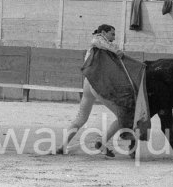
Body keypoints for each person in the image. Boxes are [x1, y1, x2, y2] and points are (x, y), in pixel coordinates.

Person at [55, 24, 133, 157]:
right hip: (98, 84)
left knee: (81, 117)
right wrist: (116, 50)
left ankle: (62, 146)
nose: (114, 38)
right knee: (122, 116)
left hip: (88, 83)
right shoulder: (98, 40)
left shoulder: (103, 44)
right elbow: (98, 41)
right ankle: (101, 142)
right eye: (112, 34)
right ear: (103, 32)